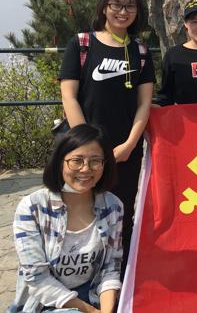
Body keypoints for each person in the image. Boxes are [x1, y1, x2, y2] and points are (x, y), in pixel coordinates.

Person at [58, 0, 154, 271]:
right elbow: (69, 96)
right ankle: (82, 272)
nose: (123, 12)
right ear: (104, 7)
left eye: (130, 6)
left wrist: (130, 144)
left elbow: (144, 104)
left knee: (123, 212)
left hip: (125, 151)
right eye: (117, 5)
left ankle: (120, 276)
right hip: (83, 151)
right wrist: (87, 146)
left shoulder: (140, 51)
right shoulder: (82, 44)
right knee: (80, 210)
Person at [10, 124, 123, 313]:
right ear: (60, 162)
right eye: (76, 161)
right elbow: (38, 279)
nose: (86, 169)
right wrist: (91, 312)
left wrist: (106, 311)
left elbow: (110, 268)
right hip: (44, 303)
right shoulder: (32, 207)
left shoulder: (113, 206)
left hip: (93, 295)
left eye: (95, 161)